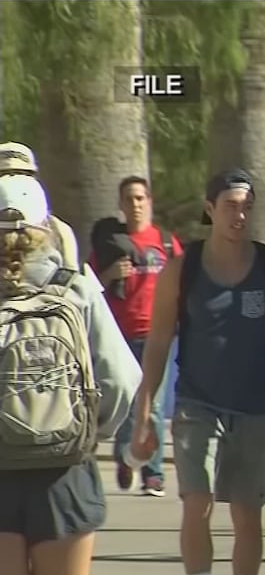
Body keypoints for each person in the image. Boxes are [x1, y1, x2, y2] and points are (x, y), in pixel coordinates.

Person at [132, 170, 265, 575]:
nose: (239, 215)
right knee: (197, 503)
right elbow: (158, 343)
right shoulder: (182, 269)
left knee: (247, 514)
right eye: (230, 206)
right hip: (197, 403)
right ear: (210, 209)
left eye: (246, 207)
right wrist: (144, 410)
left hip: (255, 406)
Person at [0, 174, 140, 575]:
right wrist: (87, 431)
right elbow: (121, 379)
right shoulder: (75, 288)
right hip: (65, 474)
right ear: (46, 226)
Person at [87, 176, 180, 498]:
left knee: (152, 406)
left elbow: (184, 282)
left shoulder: (165, 243)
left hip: (158, 336)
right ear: (121, 204)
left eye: (140, 198)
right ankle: (127, 456)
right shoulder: (108, 245)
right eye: (129, 199)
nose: (135, 204)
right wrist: (109, 274)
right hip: (120, 337)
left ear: (149, 201)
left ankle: (152, 473)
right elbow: (87, 287)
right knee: (127, 403)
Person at [0, 142, 85, 271]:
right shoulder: (60, 229)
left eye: (22, 173)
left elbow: (70, 274)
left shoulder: (59, 230)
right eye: (4, 174)